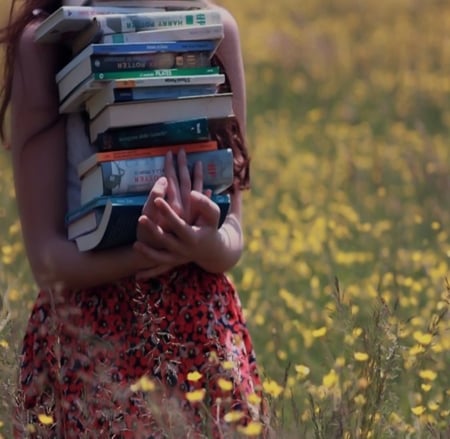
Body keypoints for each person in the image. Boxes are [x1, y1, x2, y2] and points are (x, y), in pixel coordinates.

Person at [0, 0, 267, 437]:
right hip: (88, 341)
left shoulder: (214, 28)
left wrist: (204, 246)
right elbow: (45, 261)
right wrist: (150, 253)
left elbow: (233, 232)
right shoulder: (47, 40)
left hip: (199, 330)